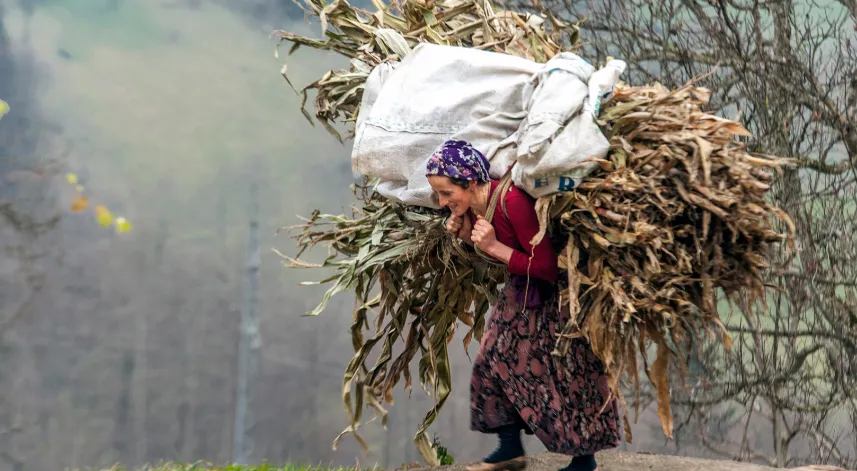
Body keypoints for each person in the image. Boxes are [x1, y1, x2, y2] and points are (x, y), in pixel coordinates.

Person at [425, 140, 621, 471]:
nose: (443, 202)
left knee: (565, 372)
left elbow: (545, 265)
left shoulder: (512, 201)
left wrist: (492, 246)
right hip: (522, 290)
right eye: (440, 196)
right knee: (491, 359)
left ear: (470, 182)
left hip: (556, 295)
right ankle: (510, 448)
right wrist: (466, 238)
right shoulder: (475, 208)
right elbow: (495, 256)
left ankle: (583, 461)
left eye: (446, 193)